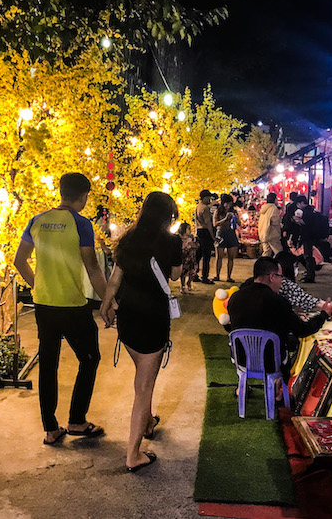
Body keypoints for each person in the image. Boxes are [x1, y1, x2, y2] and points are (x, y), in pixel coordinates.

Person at [14, 172, 107, 446]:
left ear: (61, 191)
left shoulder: (37, 220)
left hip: (44, 305)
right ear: (84, 196)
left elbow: (20, 261)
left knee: (48, 365)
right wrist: (110, 302)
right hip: (72, 305)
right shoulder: (81, 224)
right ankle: (77, 421)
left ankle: (51, 429)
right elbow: (92, 268)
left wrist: (37, 286)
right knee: (89, 359)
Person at [100, 192, 182, 473]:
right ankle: (133, 454)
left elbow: (115, 277)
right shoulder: (171, 241)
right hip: (153, 319)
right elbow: (174, 276)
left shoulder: (127, 240)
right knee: (144, 387)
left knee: (143, 375)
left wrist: (107, 303)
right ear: (167, 215)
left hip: (128, 317)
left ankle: (147, 424)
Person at [227, 257, 332, 378]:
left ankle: (242, 388)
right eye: (280, 276)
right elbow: (302, 330)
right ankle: (279, 390)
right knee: (291, 344)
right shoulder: (278, 302)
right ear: (272, 277)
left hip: (241, 359)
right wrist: (323, 315)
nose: (282, 281)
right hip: (270, 362)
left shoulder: (235, 298)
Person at [273, 251, 332, 316]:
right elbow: (310, 301)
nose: (296, 269)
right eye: (295, 266)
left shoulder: (269, 282)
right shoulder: (285, 284)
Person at [213, 193, 239, 282]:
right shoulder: (218, 212)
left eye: (230, 203)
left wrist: (236, 218)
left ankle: (229, 276)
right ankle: (217, 275)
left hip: (231, 233)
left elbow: (239, 223)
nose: (228, 205)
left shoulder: (234, 212)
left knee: (231, 257)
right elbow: (215, 224)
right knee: (219, 256)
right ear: (223, 203)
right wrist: (225, 219)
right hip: (221, 233)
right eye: (226, 203)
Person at [294, 195, 318, 283]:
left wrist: (299, 221)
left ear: (302, 203)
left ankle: (310, 276)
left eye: (298, 204)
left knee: (308, 256)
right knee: (307, 255)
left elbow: (307, 224)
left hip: (308, 236)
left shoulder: (307, 212)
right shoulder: (309, 210)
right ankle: (309, 274)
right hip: (308, 236)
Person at [194, 190, 215, 285]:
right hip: (205, 232)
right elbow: (208, 223)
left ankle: (194, 274)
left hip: (198, 231)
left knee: (198, 255)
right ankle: (205, 276)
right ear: (205, 197)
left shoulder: (198, 207)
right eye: (209, 197)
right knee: (206, 256)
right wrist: (213, 236)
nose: (210, 199)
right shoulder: (205, 208)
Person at [258, 192, 283, 257]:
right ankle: (282, 265)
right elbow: (275, 221)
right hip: (272, 234)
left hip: (264, 233)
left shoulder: (264, 208)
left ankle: (263, 265)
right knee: (279, 252)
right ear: (275, 200)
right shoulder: (273, 208)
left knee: (266, 252)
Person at [177, 222, 199, 293]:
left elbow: (196, 246)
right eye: (188, 229)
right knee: (183, 273)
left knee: (193, 272)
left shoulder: (192, 238)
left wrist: (193, 243)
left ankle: (189, 282)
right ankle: (182, 285)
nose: (190, 230)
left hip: (191, 258)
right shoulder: (179, 239)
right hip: (183, 258)